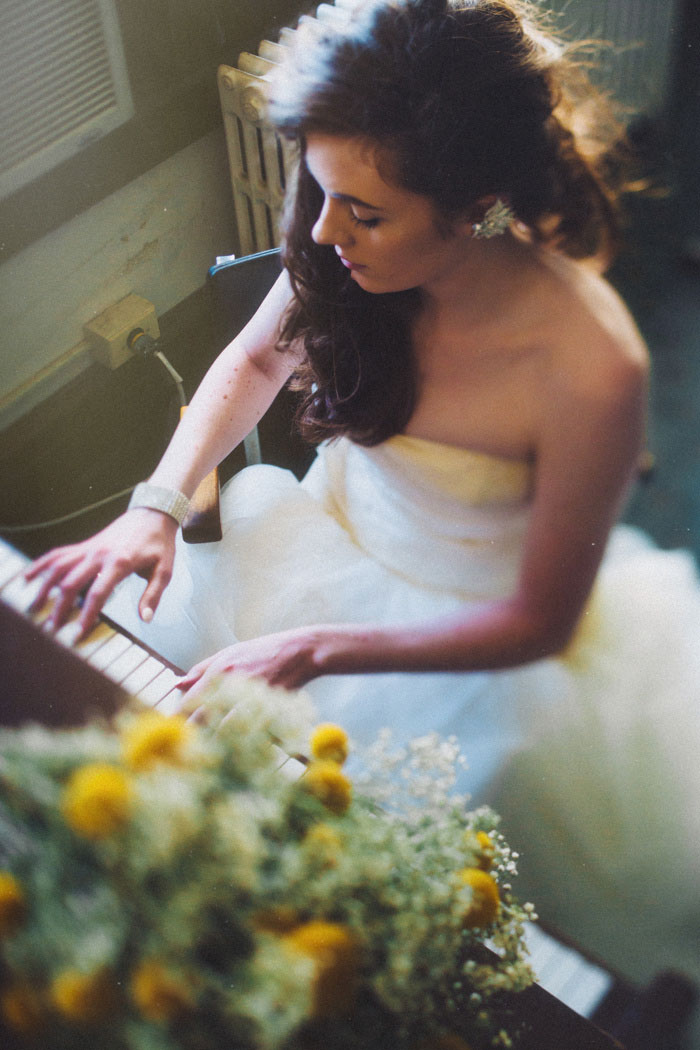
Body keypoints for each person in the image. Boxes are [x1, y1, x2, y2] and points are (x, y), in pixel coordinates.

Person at [27, 0, 700, 994]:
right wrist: (156, 506)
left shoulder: (591, 367)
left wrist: (316, 648)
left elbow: (540, 623)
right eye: (320, 189)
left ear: (472, 204)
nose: (326, 231)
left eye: (366, 212)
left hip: (481, 633)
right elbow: (255, 357)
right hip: (323, 545)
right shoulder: (339, 242)